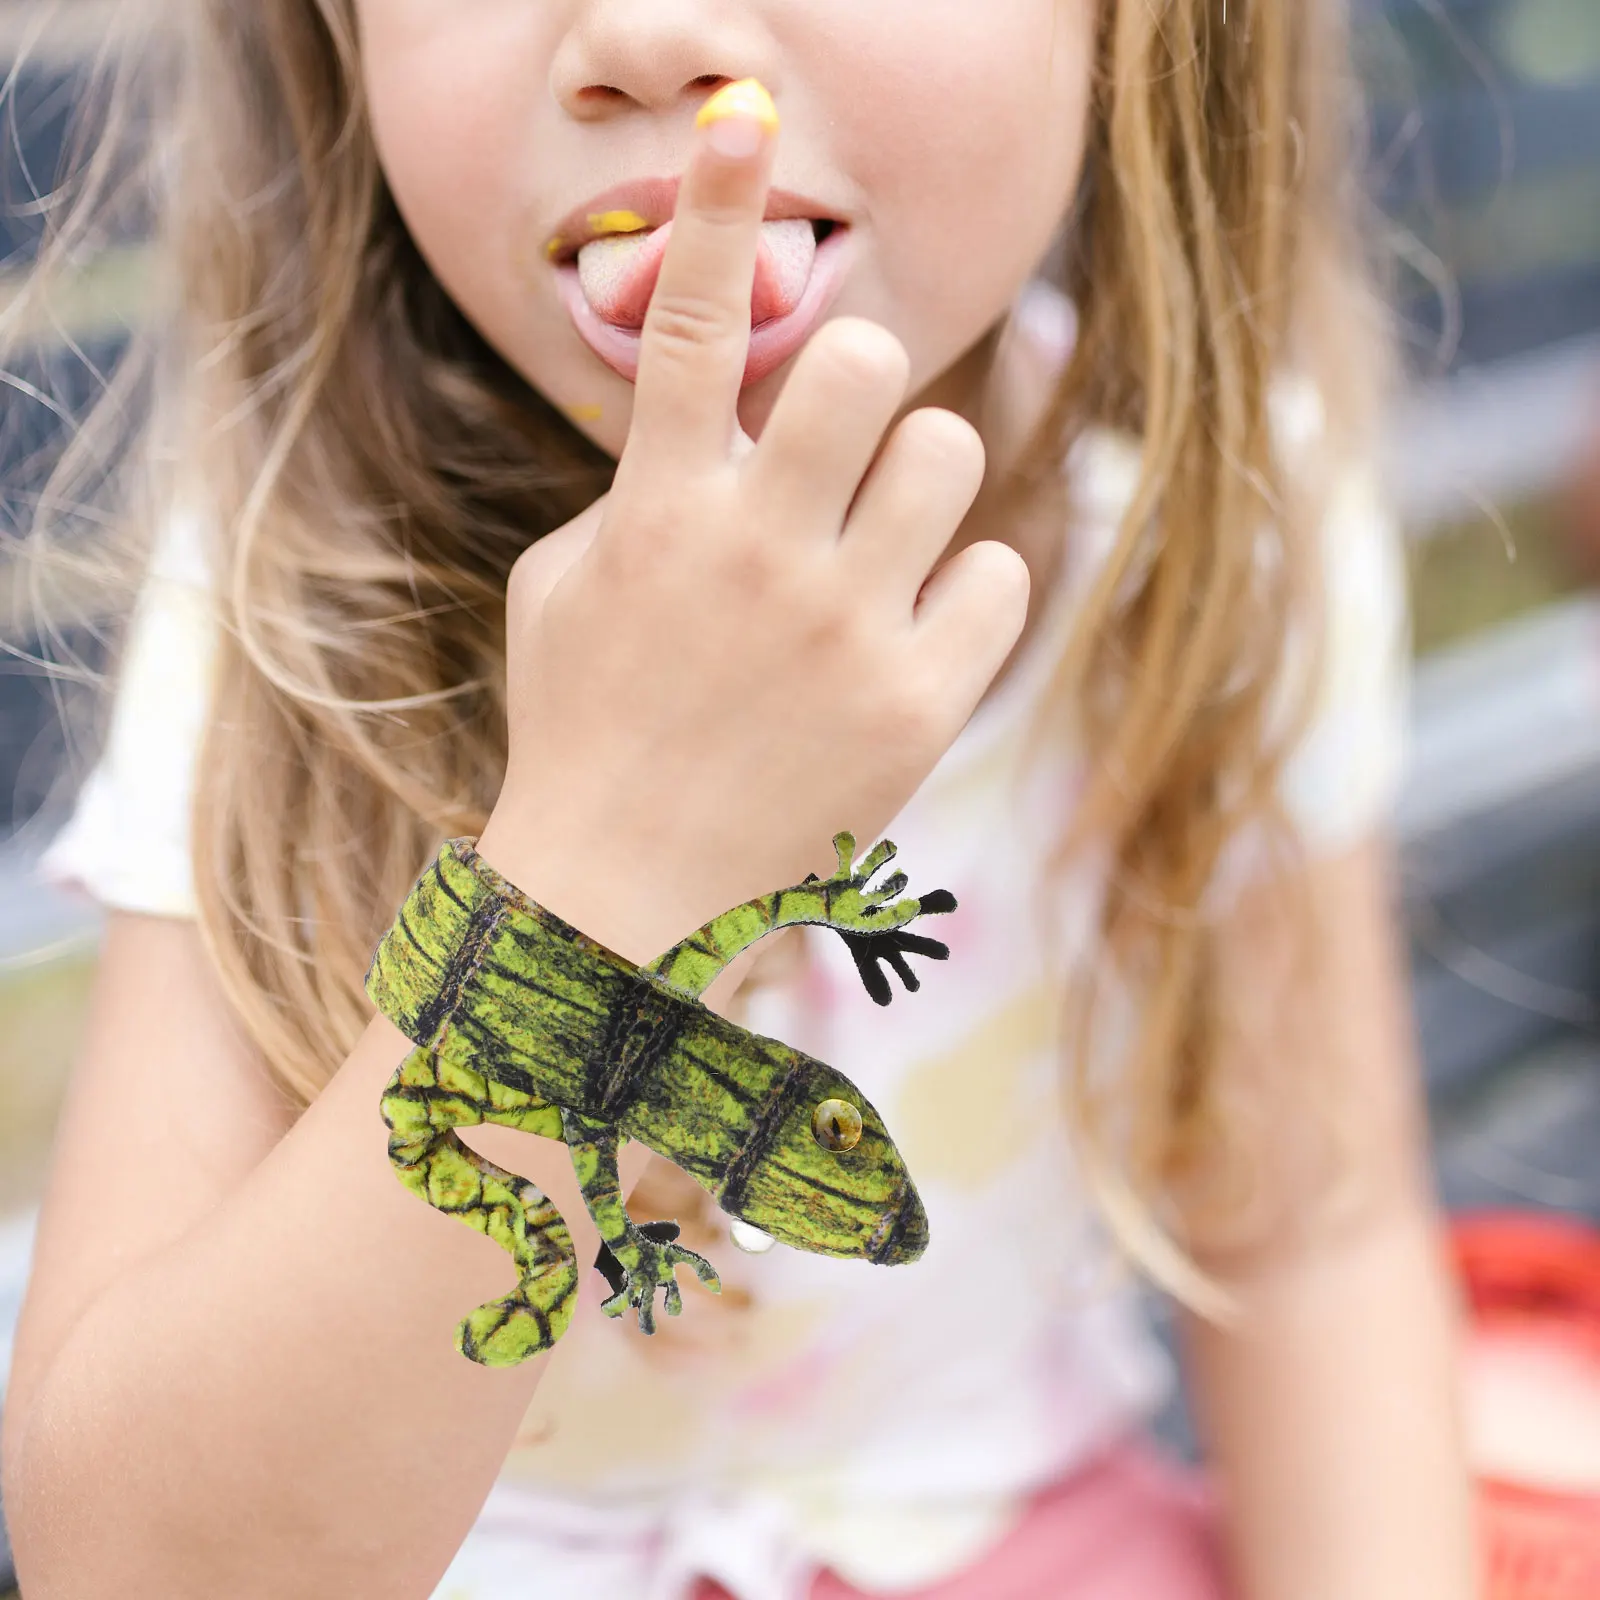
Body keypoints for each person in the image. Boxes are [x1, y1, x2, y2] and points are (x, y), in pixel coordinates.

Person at [0, 4, 1480, 1597]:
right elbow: (138, 1568)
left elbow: (1314, 1245)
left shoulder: (1210, 529)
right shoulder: (281, 612)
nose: (644, 35)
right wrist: (607, 861)